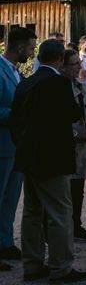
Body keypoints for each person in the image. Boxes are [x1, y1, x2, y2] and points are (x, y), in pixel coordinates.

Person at [9, 39, 86, 283]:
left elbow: (15, 121)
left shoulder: (26, 82)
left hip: (28, 156)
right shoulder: (58, 83)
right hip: (53, 158)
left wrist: (23, 146)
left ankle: (32, 264)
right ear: (58, 59)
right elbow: (72, 113)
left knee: (32, 213)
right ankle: (61, 267)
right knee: (60, 213)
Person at [0, 27, 36, 272]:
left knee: (11, 199)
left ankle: (4, 243)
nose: (32, 52)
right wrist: (18, 115)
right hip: (2, 144)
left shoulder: (16, 72)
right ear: (20, 47)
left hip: (16, 146)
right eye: (31, 48)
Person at [60, 50, 86, 241]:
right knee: (61, 189)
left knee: (78, 188)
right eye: (74, 64)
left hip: (82, 145)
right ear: (63, 66)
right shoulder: (58, 88)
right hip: (64, 144)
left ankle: (76, 225)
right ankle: (60, 227)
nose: (79, 67)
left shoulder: (83, 86)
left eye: (79, 63)